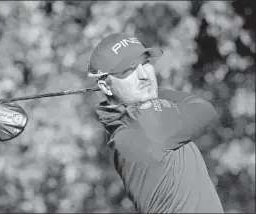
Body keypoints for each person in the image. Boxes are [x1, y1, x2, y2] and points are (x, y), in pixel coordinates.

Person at [87, 32, 224, 213]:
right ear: (105, 86)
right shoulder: (148, 123)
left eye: (145, 63)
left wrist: (148, 91)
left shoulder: (119, 125)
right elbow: (205, 109)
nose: (144, 75)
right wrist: (155, 90)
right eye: (128, 69)